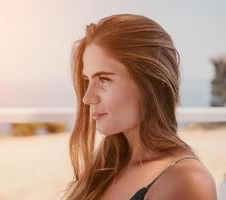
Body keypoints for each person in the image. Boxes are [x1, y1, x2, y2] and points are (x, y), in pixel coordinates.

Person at [62, 14, 217, 200]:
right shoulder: (105, 168)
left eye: (104, 79)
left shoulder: (186, 180)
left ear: (151, 84)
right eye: (88, 80)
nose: (87, 98)